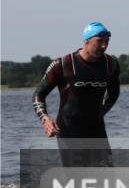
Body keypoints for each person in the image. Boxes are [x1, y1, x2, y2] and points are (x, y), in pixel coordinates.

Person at [31, 22, 121, 166]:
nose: (104, 46)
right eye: (99, 41)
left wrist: (99, 113)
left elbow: (114, 95)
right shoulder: (63, 64)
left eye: (107, 41)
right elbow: (38, 95)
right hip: (68, 129)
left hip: (96, 128)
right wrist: (45, 119)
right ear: (87, 41)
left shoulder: (111, 64)